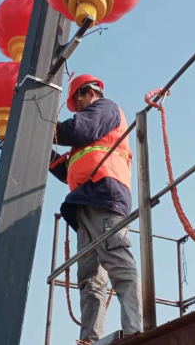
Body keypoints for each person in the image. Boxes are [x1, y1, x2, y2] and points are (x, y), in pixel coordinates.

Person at [49, 74, 143, 343]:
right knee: (90, 278)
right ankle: (90, 339)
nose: (78, 111)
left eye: (78, 104)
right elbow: (66, 168)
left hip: (104, 193)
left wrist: (42, 127)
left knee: (119, 264)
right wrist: (44, 150)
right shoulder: (87, 137)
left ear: (89, 93)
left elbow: (79, 129)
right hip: (86, 202)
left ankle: (136, 331)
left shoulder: (105, 108)